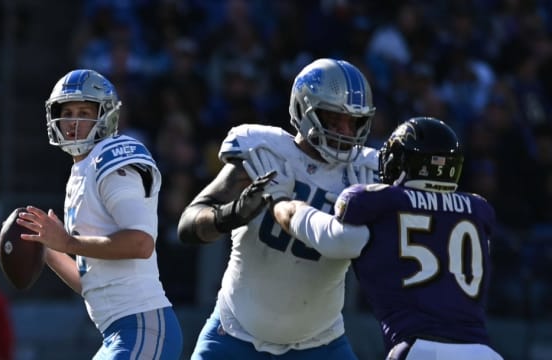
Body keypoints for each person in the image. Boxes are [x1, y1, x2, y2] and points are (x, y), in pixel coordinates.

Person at [177, 58, 377, 359]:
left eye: (354, 122)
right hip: (235, 334)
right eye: (334, 119)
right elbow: (188, 226)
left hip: (321, 342)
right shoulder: (264, 153)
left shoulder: (366, 173)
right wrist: (233, 213)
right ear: (304, 109)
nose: (345, 132)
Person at [269, 117, 504, 360]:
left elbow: (332, 233)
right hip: (484, 352)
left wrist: (283, 204)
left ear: (399, 162)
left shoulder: (381, 206)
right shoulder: (478, 210)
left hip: (420, 348)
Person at [15, 69, 183, 359]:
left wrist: (68, 243)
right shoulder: (79, 172)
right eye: (67, 112)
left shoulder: (112, 157)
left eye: (84, 112)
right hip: (115, 332)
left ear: (106, 116)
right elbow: (90, 284)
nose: (73, 121)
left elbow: (141, 243)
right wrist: (49, 251)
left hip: (143, 325)